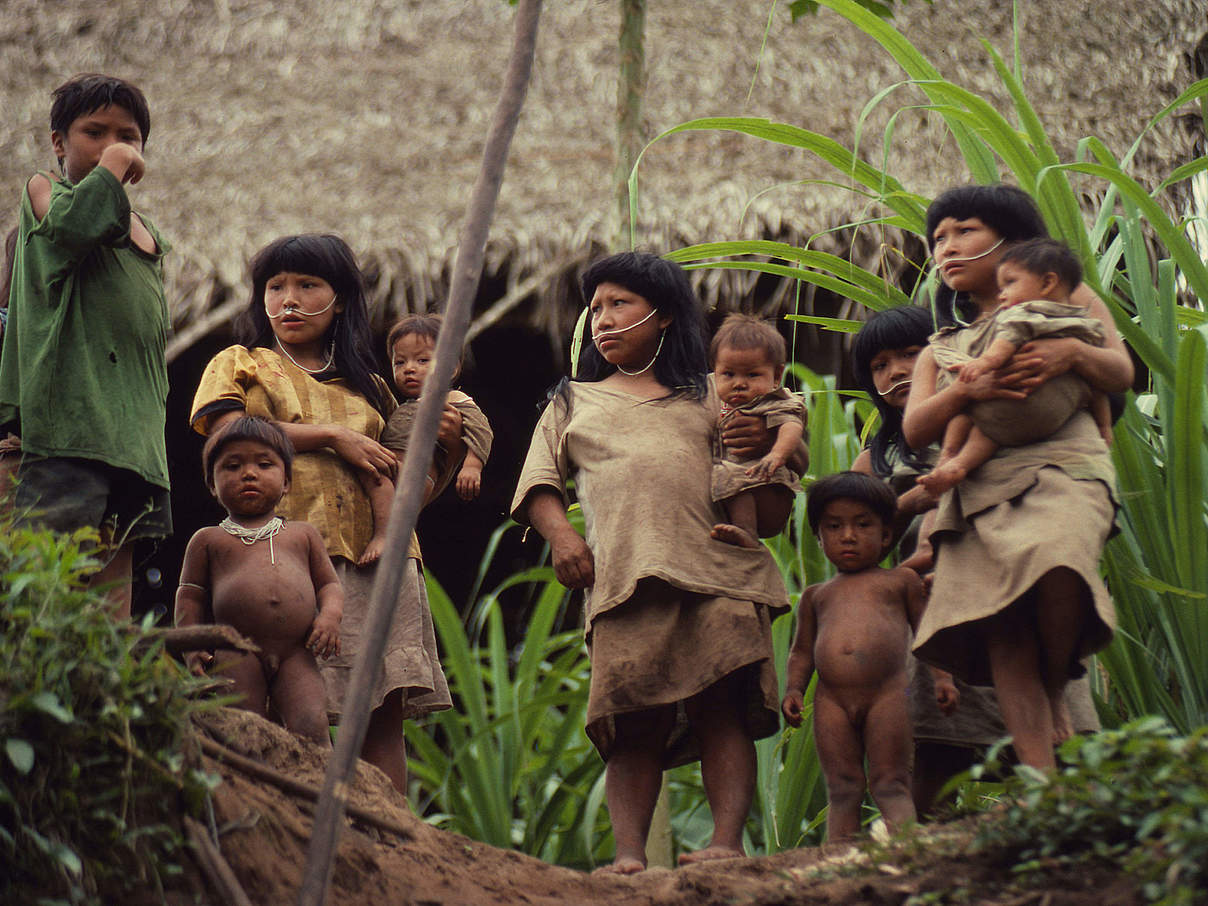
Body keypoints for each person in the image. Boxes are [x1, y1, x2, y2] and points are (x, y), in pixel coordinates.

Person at [511, 251, 795, 873]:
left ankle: (725, 845)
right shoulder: (573, 400)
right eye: (595, 309)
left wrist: (762, 457)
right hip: (624, 582)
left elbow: (770, 512)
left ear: (662, 315)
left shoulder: (712, 398)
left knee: (723, 713)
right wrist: (563, 538)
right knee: (633, 724)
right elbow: (537, 484)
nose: (603, 320)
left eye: (620, 304)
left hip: (717, 573)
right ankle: (630, 858)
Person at [190, 233, 451, 796]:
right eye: (275, 286)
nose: (289, 298)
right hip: (279, 559)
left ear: (341, 301)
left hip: (378, 560)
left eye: (308, 285)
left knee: (379, 711)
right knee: (287, 706)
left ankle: (389, 838)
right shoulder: (241, 363)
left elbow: (405, 488)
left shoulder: (374, 387)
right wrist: (334, 437)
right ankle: (304, 835)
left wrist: (448, 447)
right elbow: (227, 431)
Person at [904, 184, 1132, 772]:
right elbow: (915, 431)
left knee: (1059, 566)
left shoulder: (1071, 299)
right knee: (1004, 625)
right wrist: (965, 388)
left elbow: (1121, 371)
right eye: (938, 240)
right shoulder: (943, 347)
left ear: (1012, 239)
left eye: (964, 231)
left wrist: (1073, 356)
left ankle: (1057, 681)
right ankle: (1043, 782)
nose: (947, 249)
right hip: (978, 483)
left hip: (1067, 464)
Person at [0, 74, 171, 617]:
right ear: (58, 143)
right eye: (94, 132)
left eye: (127, 136)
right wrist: (114, 167)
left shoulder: (145, 230)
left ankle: (98, 697)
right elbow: (75, 230)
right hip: (70, 429)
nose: (112, 144)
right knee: (48, 576)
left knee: (111, 585)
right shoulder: (45, 193)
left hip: (132, 441)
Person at [781, 472, 931, 841]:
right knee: (843, 786)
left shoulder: (900, 582)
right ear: (819, 537)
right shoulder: (816, 596)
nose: (848, 536)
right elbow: (801, 651)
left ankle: (907, 851)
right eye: (835, 526)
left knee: (891, 781)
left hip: (891, 693)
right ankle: (838, 861)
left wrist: (942, 679)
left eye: (862, 525)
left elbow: (929, 633)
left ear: (885, 534)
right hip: (832, 699)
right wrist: (794, 689)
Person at [175, 417, 342, 745]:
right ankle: (251, 792)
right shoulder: (208, 540)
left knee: (310, 722)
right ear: (212, 485)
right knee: (243, 727)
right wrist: (191, 648)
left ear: (286, 483)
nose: (248, 473)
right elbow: (189, 599)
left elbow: (329, 585)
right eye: (232, 466)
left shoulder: (302, 534)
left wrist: (330, 616)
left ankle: (314, 793)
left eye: (264, 464)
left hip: (297, 650)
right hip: (237, 649)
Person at [918, 238, 1112, 496]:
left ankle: (952, 458)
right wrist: (1104, 427)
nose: (1001, 294)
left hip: (1006, 407)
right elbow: (1098, 388)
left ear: (1047, 283)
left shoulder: (1023, 314)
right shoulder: (1086, 326)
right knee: (989, 432)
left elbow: (1004, 345)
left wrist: (982, 363)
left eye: (1009, 283)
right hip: (1054, 415)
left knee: (970, 418)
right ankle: (957, 463)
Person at [708, 313, 804, 549]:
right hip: (731, 488)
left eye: (752, 375)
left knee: (732, 475)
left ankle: (747, 532)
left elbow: (792, 425)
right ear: (715, 372)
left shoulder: (772, 401)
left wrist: (777, 454)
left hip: (765, 480)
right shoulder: (712, 400)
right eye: (728, 374)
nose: (739, 383)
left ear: (777, 376)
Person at [380, 313, 493, 503]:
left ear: (451, 368)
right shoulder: (399, 407)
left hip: (417, 476)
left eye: (422, 360)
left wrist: (472, 466)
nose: (409, 368)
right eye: (400, 362)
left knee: (383, 501)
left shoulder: (450, 399)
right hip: (392, 473)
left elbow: (481, 430)